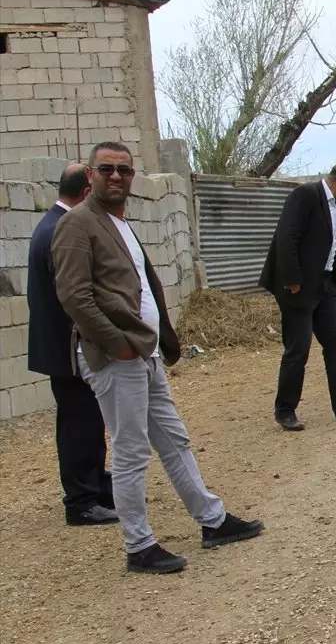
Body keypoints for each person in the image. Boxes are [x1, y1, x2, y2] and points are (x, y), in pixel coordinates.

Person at [52, 142, 264, 574]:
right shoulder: (77, 224)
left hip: (141, 351)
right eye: (106, 169)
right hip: (117, 356)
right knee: (131, 452)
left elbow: (142, 287)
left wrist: (159, 339)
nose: (116, 176)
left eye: (124, 170)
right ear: (89, 175)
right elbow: (74, 295)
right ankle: (140, 546)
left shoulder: (119, 223)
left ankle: (213, 520)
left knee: (173, 439)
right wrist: (117, 344)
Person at [26, 163, 118, 526]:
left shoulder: (52, 224)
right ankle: (80, 500)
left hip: (64, 344)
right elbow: (73, 295)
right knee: (78, 422)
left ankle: (96, 485)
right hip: (67, 347)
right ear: (85, 193)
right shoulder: (60, 229)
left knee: (90, 419)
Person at [258, 161, 336, 432]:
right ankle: (285, 410)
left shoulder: (335, 207)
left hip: (325, 287)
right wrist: (291, 279)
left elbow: (333, 246)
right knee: (298, 349)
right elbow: (286, 236)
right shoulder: (306, 195)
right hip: (299, 287)